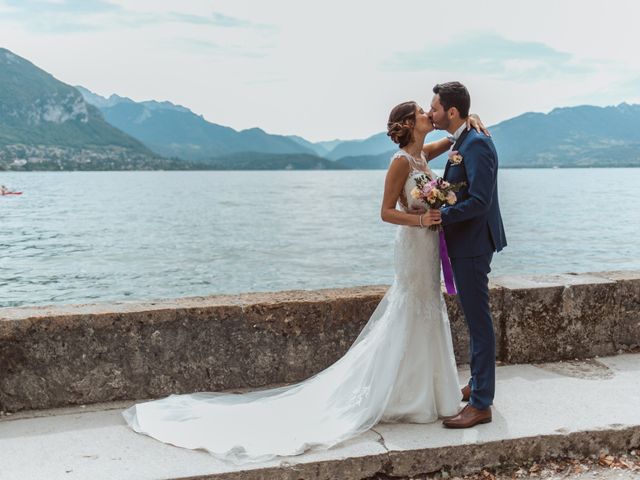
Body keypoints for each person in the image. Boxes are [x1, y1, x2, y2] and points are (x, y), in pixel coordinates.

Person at [122, 102, 489, 464]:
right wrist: (422, 221)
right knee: (411, 308)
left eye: (433, 109)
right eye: (424, 113)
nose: (430, 114)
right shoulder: (400, 164)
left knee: (428, 308)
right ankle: (404, 394)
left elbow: (456, 141)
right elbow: (385, 212)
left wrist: (470, 121)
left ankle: (426, 391)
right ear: (410, 123)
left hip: (427, 250)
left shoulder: (423, 156)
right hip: (414, 244)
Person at [428, 81, 507, 428]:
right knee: (475, 322)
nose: (431, 113)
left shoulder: (476, 144)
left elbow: (480, 201)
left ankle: (481, 404)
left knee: (479, 323)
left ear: (452, 111)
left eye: (435, 107)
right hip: (465, 243)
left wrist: (440, 216)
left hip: (473, 244)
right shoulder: (462, 140)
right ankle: (476, 384)